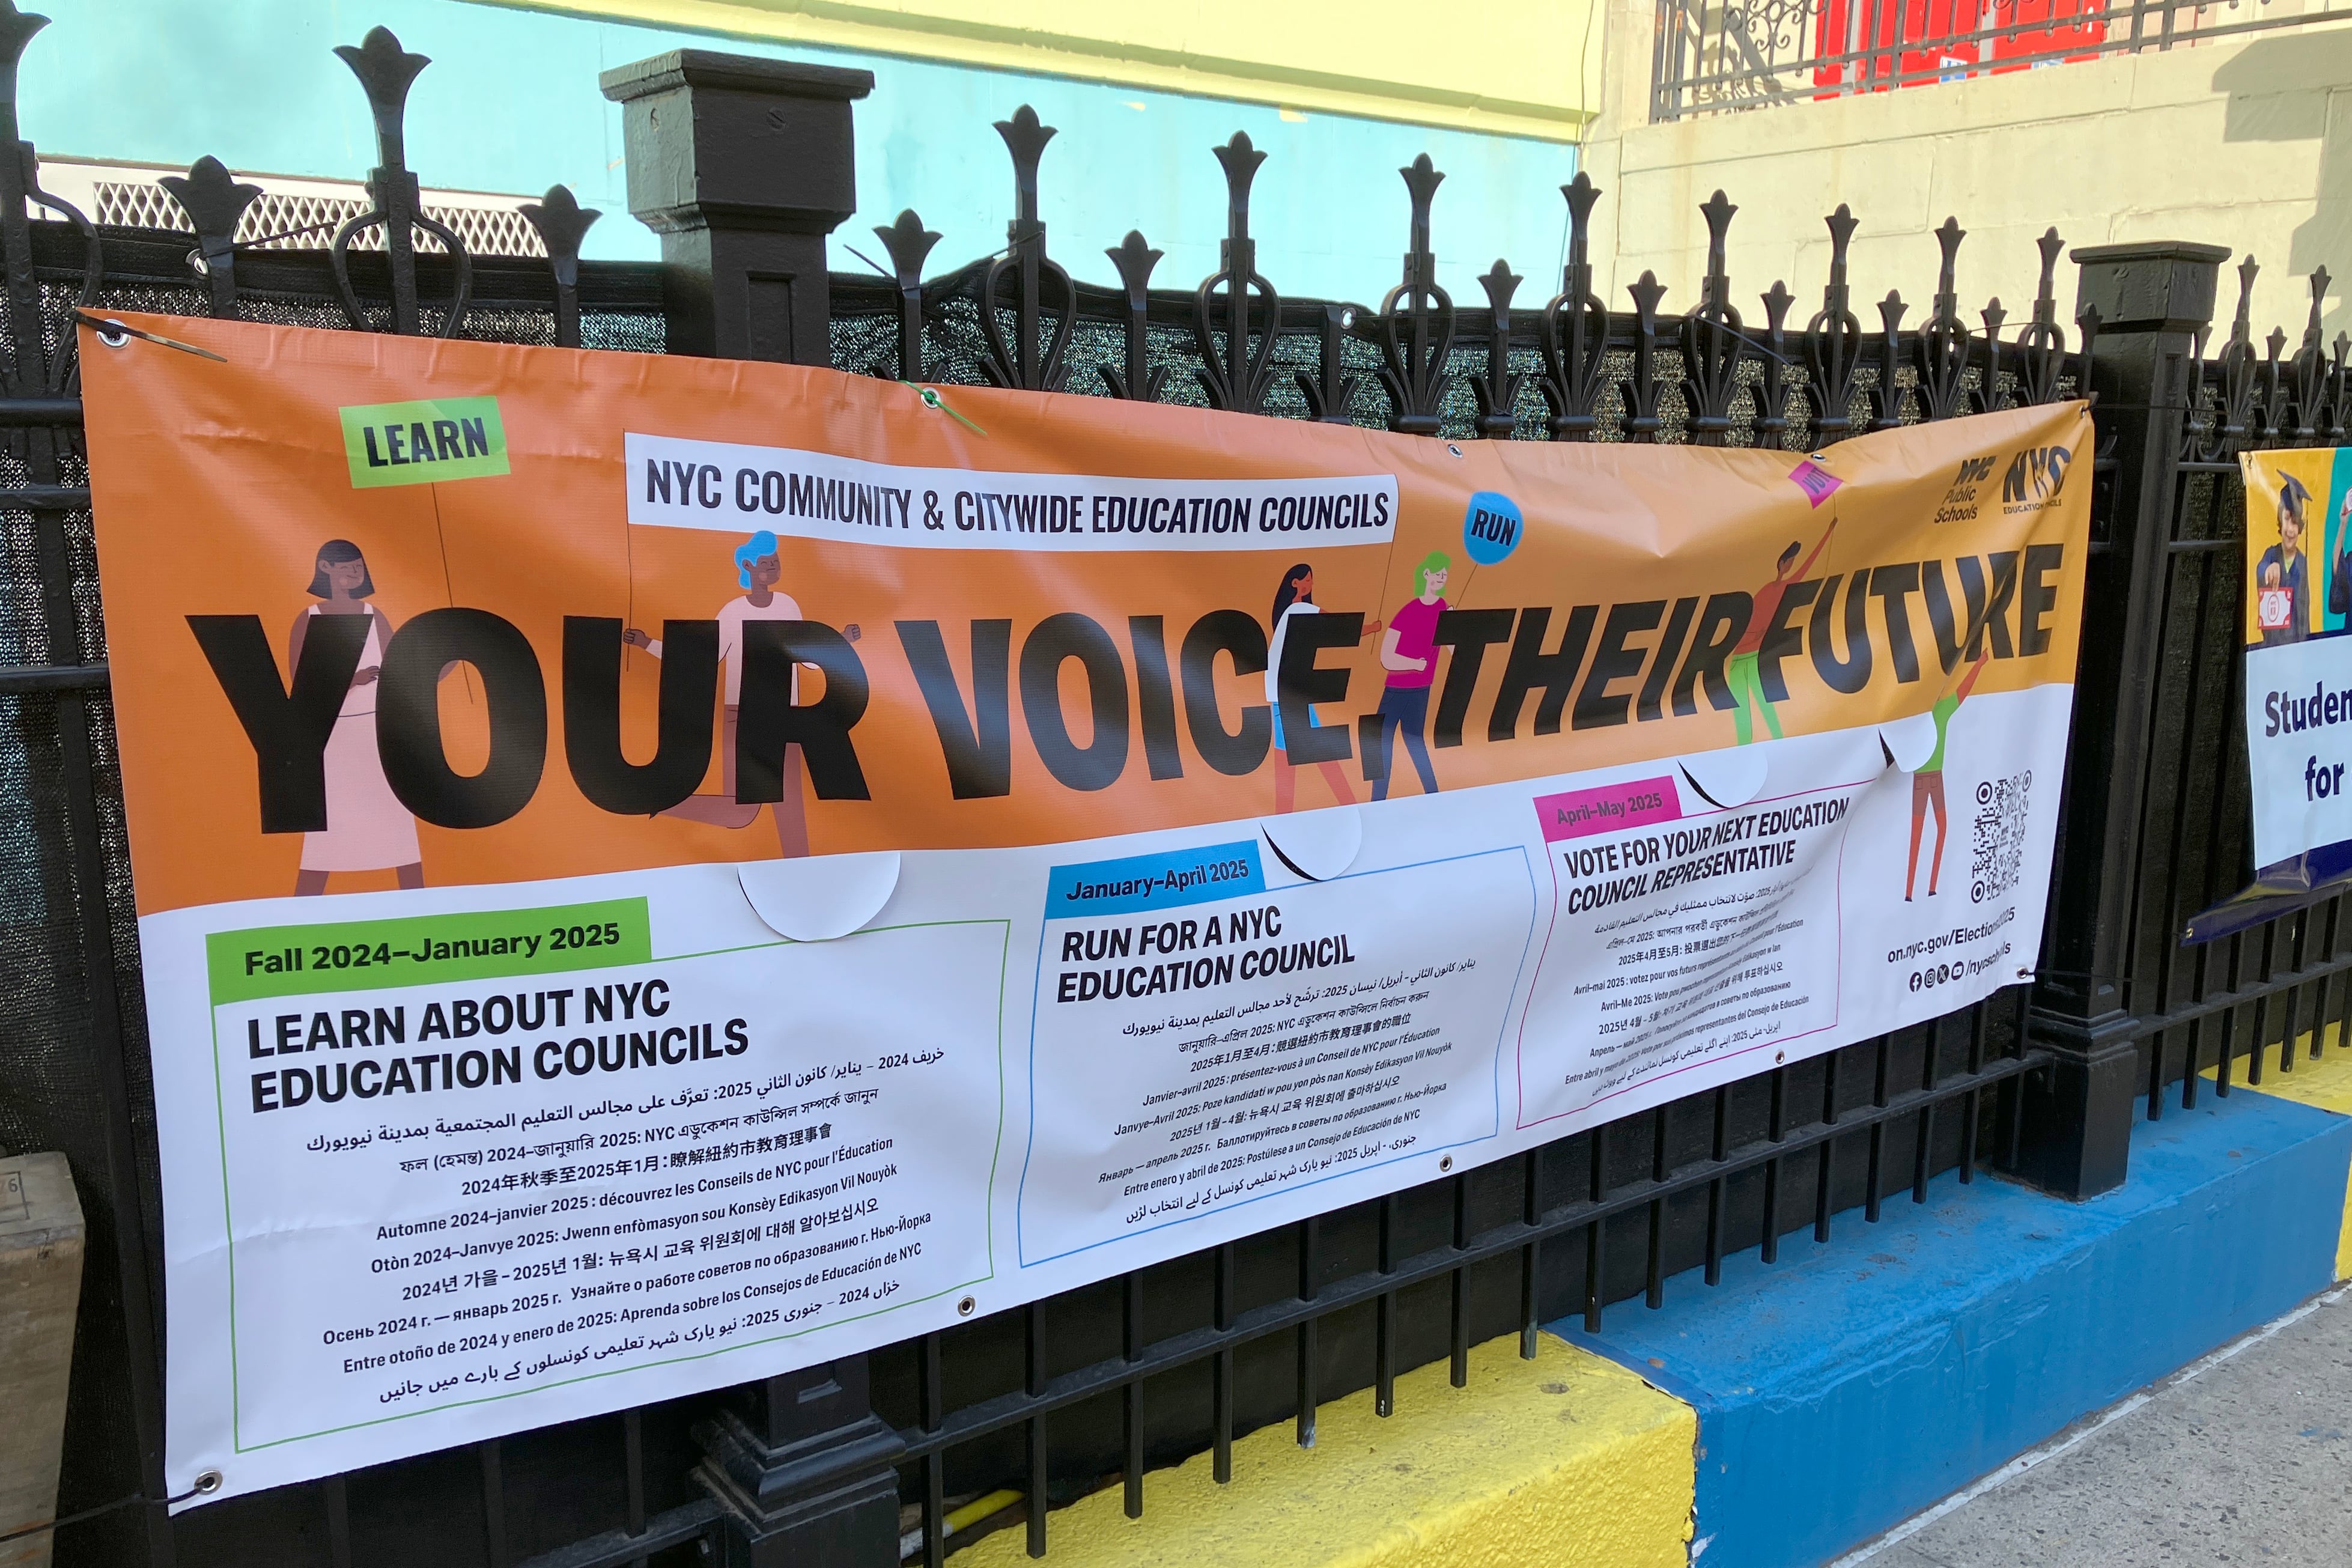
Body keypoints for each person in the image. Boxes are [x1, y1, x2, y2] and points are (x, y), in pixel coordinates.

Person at [625, 530, 857, 858]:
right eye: (767, 563)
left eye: (776, 562)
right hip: (742, 716)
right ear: (748, 566)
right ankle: (654, 799)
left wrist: (840, 642)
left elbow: (806, 658)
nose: (774, 568)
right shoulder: (733, 613)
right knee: (740, 812)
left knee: (791, 813)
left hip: (786, 717)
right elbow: (702, 658)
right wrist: (647, 643)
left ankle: (805, 880)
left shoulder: (789, 605)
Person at [290, 540, 424, 895]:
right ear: (324, 568)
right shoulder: (309, 618)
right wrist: (353, 679)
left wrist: (441, 665)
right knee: (327, 835)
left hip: (375, 734)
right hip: (334, 738)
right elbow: (300, 683)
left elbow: (399, 666)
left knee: (398, 827)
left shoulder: (374, 615)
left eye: (358, 566)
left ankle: (421, 909)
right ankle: (301, 916)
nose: (353, 572)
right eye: (345, 565)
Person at [1266, 562, 1379, 815]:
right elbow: (1338, 628)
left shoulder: (1289, 613)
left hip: (1284, 691)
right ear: (1294, 583)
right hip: (1287, 692)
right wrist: (1371, 628)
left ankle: (1286, 813)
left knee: (1288, 754)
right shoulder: (1300, 609)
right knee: (1312, 751)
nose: (1311, 584)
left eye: (1312, 580)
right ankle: (1349, 805)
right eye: (1307, 580)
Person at [1727, 520, 1837, 744]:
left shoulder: (1787, 586)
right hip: (1740, 659)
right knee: (1742, 710)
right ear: (1781, 563)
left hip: (1756, 657)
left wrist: (1829, 532)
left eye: (1794, 561)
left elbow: (1808, 565)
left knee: (1766, 703)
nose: (1792, 564)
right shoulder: (1766, 590)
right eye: (1789, 560)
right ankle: (1743, 750)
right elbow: (1744, 626)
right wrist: (1753, 637)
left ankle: (1780, 742)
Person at [1906, 646, 1992, 902]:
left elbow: (1962, 691)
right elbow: (1962, 691)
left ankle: (1921, 890)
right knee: (1930, 831)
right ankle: (1920, 889)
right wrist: (1979, 665)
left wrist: (1979, 665)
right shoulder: (1938, 709)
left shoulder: (1927, 710)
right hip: (1928, 779)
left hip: (1928, 779)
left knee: (1925, 832)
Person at [1371, 551, 1448, 801]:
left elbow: (1455, 648)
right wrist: (1415, 664)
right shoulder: (1408, 612)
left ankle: (1434, 797)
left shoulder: (1445, 609)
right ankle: (1377, 802)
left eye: (1445, 574)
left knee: (1415, 743)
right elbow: (1386, 656)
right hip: (1396, 691)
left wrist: (1459, 625)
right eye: (1437, 573)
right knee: (1382, 744)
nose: (1442, 578)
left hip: (1420, 691)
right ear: (1426, 574)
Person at [2259, 474, 2313, 646]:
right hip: (2272, 647)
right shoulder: (2271, 555)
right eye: (2287, 519)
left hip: (2297, 646)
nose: (2290, 529)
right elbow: (2261, 569)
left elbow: (2304, 612)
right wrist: (2268, 570)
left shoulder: (2302, 563)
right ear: (2280, 521)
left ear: (2300, 528)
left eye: (2295, 522)